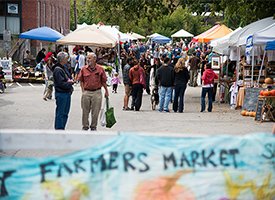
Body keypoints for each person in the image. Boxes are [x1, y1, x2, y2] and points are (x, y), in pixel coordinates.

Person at [77, 52, 109, 131]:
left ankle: (93, 126)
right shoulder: (83, 69)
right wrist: (83, 91)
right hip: (86, 92)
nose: (88, 60)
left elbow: (103, 81)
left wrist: (106, 91)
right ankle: (85, 126)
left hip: (97, 92)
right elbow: (81, 80)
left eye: (89, 58)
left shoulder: (100, 69)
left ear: (95, 59)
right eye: (87, 58)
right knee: (85, 111)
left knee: (95, 111)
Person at [52, 51, 74, 130]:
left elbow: (68, 78)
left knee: (65, 113)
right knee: (61, 113)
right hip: (61, 93)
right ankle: (59, 129)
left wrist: (70, 81)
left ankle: (62, 128)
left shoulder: (63, 67)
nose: (67, 60)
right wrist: (70, 83)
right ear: (62, 59)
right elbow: (61, 83)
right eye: (66, 58)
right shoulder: (58, 69)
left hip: (66, 93)